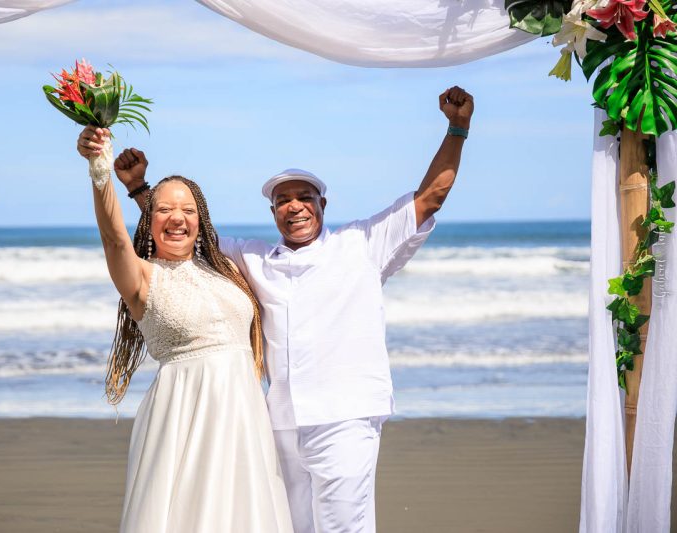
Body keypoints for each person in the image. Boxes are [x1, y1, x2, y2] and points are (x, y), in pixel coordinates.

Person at [85, 85, 474, 533]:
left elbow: (430, 197)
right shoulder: (249, 259)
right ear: (273, 212)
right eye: (283, 201)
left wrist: (457, 128)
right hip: (278, 422)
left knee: (344, 527)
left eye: (304, 197)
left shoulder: (363, 244)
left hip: (344, 415)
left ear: (322, 204)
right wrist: (139, 190)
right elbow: (182, 235)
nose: (294, 206)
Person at [76, 133, 294, 532]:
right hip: (184, 412)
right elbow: (113, 238)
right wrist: (99, 170)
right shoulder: (141, 277)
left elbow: (171, 220)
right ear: (149, 219)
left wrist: (141, 187)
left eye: (188, 210)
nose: (177, 217)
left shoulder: (225, 269)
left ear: (201, 219)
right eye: (164, 210)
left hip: (245, 413)